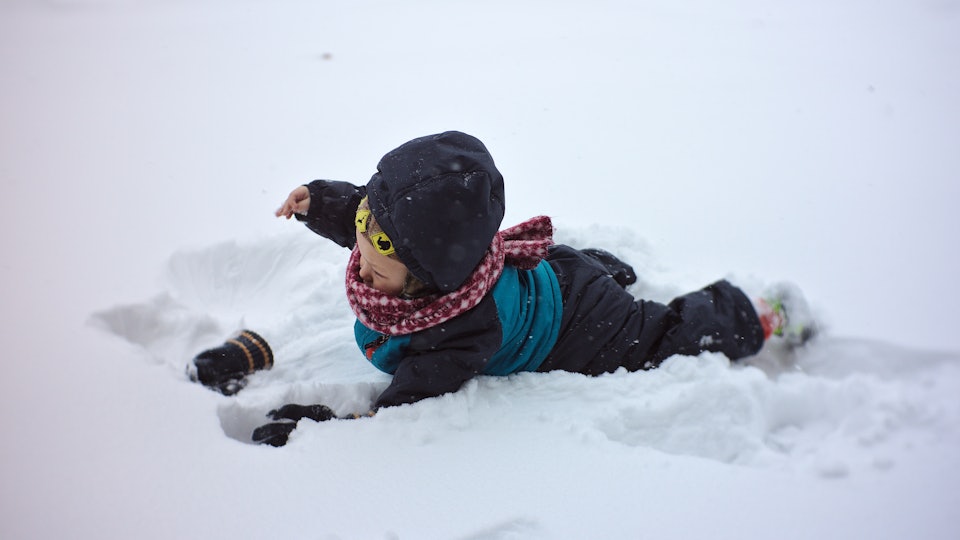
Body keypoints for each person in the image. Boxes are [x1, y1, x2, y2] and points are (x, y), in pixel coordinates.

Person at [198, 131, 812, 446]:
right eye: (364, 227)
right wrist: (325, 204)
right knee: (574, 269)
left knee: (659, 335)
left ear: (432, 276)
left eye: (380, 245)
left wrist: (316, 428)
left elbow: (405, 406)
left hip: (580, 327)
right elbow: (369, 211)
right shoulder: (404, 249)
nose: (362, 246)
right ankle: (601, 266)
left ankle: (755, 316)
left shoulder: (460, 333)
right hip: (551, 274)